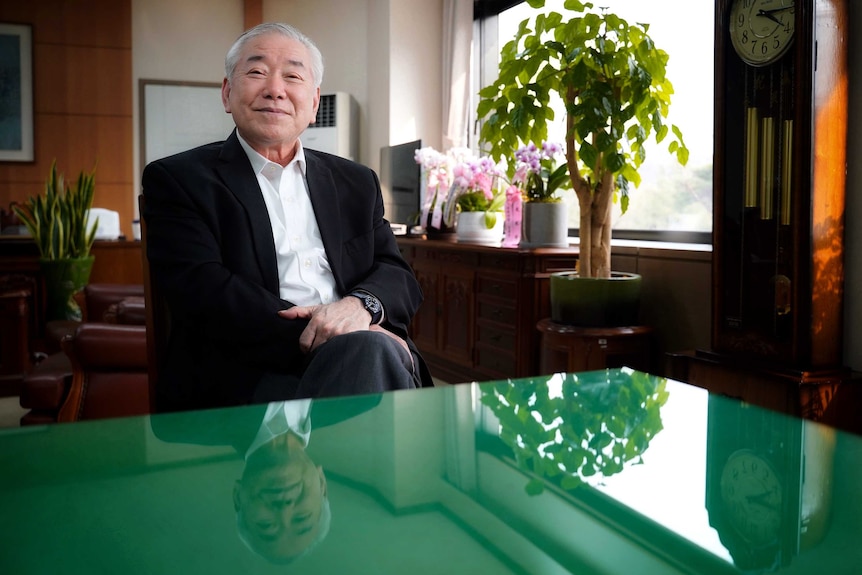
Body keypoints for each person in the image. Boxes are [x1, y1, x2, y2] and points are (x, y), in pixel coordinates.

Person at [141, 22, 431, 411]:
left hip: (366, 354)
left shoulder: (356, 182)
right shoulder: (179, 180)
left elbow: (397, 276)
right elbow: (204, 292)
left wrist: (359, 309)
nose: (275, 89)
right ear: (228, 93)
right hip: (248, 375)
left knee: (373, 356)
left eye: (292, 76)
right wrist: (337, 334)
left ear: (313, 104)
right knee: (375, 359)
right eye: (256, 72)